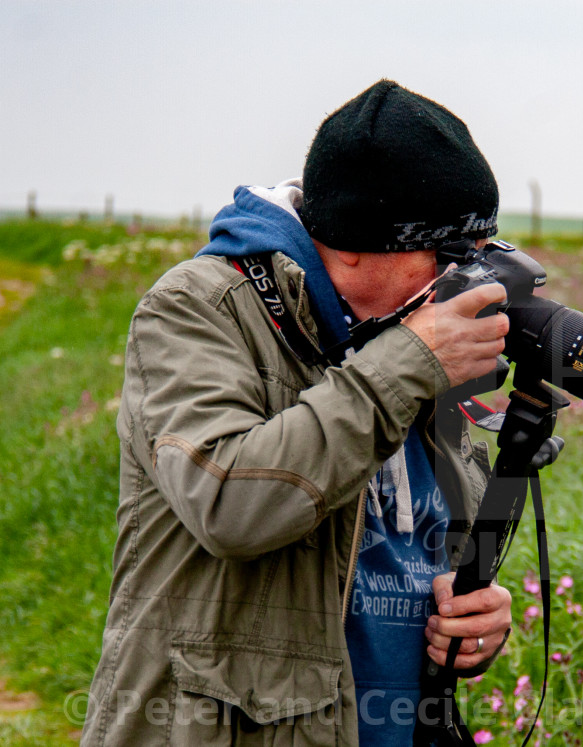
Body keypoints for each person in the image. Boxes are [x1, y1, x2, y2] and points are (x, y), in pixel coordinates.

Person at [81, 80, 515, 746]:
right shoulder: (198, 307)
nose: (468, 276)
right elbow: (227, 502)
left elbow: (420, 540)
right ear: (353, 244)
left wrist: (470, 615)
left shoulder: (406, 330)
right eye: (450, 251)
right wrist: (408, 362)